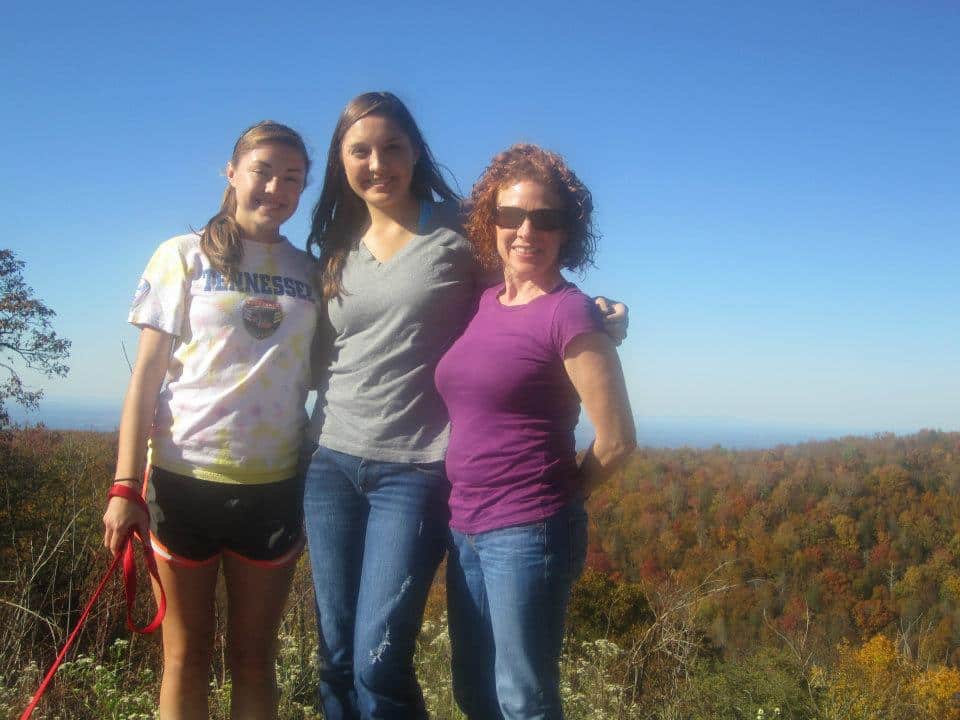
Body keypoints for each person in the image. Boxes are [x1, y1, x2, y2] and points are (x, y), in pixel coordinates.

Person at [303, 92, 628, 720]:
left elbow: (533, 281)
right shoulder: (337, 243)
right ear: (340, 161)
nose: (377, 163)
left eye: (393, 147)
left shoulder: (457, 230)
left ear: (416, 151)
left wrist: (601, 314)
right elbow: (316, 352)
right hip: (332, 460)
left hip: (416, 467)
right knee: (338, 656)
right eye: (360, 150)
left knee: (380, 658)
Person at [102, 121, 318, 720]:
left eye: (292, 179)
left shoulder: (312, 272)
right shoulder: (181, 255)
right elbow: (145, 377)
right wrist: (125, 486)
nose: (276, 187)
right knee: (185, 658)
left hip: (274, 486)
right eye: (263, 171)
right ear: (231, 172)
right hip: (181, 479)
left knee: (255, 659)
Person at [435, 143, 636, 720]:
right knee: (475, 692)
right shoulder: (484, 302)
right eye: (511, 215)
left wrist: (555, 495)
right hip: (465, 524)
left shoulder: (570, 313)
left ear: (567, 230)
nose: (526, 230)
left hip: (527, 530)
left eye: (545, 218)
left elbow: (619, 441)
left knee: (524, 698)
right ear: (490, 222)